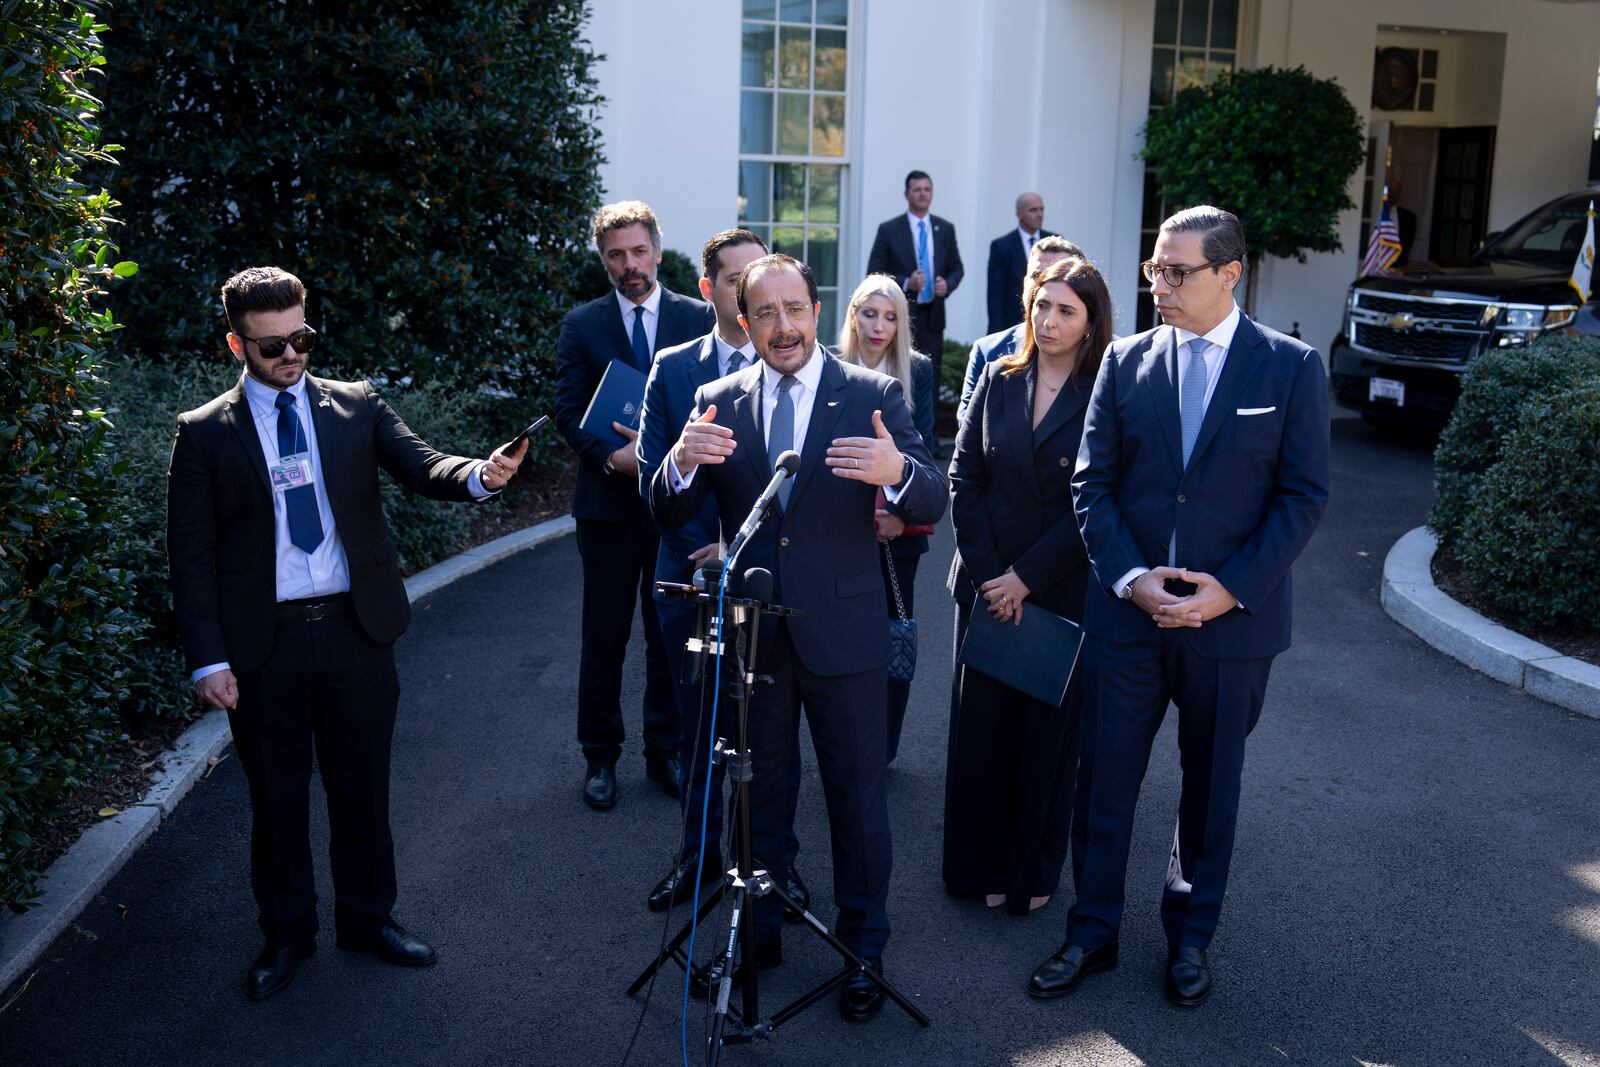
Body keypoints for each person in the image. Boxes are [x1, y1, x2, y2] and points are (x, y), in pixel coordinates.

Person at [166, 267, 526, 1001]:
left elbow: (423, 465)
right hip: (261, 646)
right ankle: (288, 934)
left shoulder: (355, 406)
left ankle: (367, 918)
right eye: (272, 347)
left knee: (361, 788)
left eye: (302, 337)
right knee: (277, 800)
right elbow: (191, 555)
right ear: (237, 343)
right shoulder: (204, 434)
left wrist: (481, 475)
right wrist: (207, 658)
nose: (292, 355)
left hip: (355, 632)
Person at [1028, 206, 1330, 1008]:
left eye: (1176, 271)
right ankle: (1090, 932)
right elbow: (1090, 485)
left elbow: (1304, 496)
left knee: (1210, 788)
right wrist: (1131, 578)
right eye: (1153, 269)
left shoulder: (1292, 368)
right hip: (1128, 618)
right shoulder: (1124, 363)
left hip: (1232, 627)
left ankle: (1191, 936)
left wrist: (1229, 589)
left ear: (1229, 274)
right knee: (1104, 782)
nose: (1157, 284)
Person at [649, 253, 946, 1021]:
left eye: (796, 309)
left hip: (846, 635)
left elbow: (934, 492)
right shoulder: (716, 398)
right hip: (753, 640)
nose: (783, 326)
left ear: (817, 311)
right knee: (758, 799)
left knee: (856, 800)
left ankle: (863, 946)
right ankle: (760, 933)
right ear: (743, 322)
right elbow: (668, 510)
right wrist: (679, 462)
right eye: (766, 313)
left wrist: (896, 471)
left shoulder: (871, 392)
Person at [634, 229, 811, 918]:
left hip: (773, 593)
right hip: (692, 583)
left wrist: (740, 544)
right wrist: (711, 542)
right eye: (739, 279)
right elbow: (658, 472)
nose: (753, 291)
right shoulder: (675, 367)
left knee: (773, 737)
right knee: (701, 730)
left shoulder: (798, 367)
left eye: (763, 276)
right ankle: (698, 854)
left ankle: (777, 863)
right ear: (713, 288)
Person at [944, 257, 1112, 916]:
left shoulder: (1107, 391)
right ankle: (974, 866)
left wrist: (1025, 577)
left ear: (1092, 320)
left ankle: (1030, 872)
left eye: (1066, 309)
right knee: (981, 735)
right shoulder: (998, 376)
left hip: (1058, 590)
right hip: (986, 591)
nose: (1049, 320)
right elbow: (964, 477)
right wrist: (993, 576)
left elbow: (1095, 502)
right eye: (1042, 305)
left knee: (1046, 741)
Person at [553, 200, 715, 812]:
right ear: (604, 260)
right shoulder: (583, 325)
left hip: (679, 505)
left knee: (667, 631)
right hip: (609, 506)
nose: (630, 265)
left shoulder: (696, 317)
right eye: (616, 255)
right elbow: (569, 411)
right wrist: (611, 458)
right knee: (605, 635)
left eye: (639, 251)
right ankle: (600, 757)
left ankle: (664, 750)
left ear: (658, 249)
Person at [833, 275, 937, 764]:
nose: (879, 326)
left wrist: (897, 512)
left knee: (891, 638)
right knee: (840, 639)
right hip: (837, 531)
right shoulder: (828, 367)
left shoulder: (916, 370)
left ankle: (883, 748)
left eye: (891, 316)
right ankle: (845, 737)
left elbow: (928, 456)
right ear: (852, 315)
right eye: (870, 314)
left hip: (898, 536)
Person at [957, 236, 1084, 425]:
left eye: (1056, 275)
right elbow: (968, 427)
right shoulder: (988, 351)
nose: (1043, 284)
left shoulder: (1112, 354)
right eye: (1036, 275)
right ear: (1024, 282)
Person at [866, 170, 964, 378]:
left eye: (927, 189)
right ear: (907, 194)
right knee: (898, 375)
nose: (922, 194)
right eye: (917, 190)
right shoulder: (889, 229)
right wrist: (906, 282)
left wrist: (947, 284)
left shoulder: (945, 229)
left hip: (933, 317)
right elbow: (874, 272)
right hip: (899, 315)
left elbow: (957, 268)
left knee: (931, 378)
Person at [986, 192, 1058, 334]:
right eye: (1033, 210)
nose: (1039, 214)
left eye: (1041, 209)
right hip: (1013, 324)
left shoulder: (1055, 241)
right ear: (1019, 214)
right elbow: (995, 294)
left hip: (1048, 322)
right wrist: (995, 332)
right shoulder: (1002, 246)